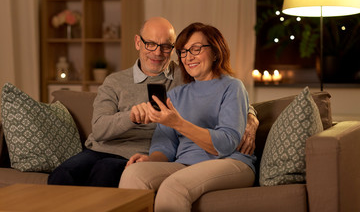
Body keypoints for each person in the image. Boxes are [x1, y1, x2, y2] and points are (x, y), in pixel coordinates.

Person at [48, 17, 258, 187]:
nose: (157, 52)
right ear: (138, 42)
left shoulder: (185, 74)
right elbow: (100, 129)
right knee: (62, 175)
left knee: (105, 172)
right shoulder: (115, 81)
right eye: (150, 44)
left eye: (166, 47)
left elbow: (226, 95)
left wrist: (251, 120)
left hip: (140, 152)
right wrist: (130, 116)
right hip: (100, 148)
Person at [119, 22, 257, 211]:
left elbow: (226, 144)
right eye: (183, 52)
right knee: (132, 174)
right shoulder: (176, 95)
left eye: (196, 49)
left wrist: (179, 123)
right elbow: (165, 145)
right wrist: (151, 159)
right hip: (185, 165)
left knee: (174, 186)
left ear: (216, 51)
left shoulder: (232, 87)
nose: (188, 57)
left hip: (230, 162)